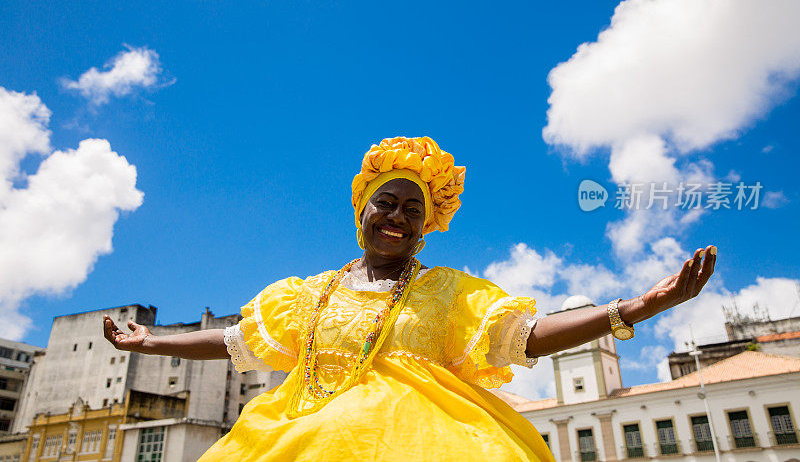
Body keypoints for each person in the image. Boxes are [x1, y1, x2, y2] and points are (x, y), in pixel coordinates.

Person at [103, 136, 717, 461]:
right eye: (387, 203)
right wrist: (152, 342)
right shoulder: (307, 296)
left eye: (412, 210)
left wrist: (637, 308)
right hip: (294, 436)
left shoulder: (445, 292)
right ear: (362, 210)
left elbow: (525, 336)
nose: (398, 217)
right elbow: (237, 341)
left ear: (426, 226)